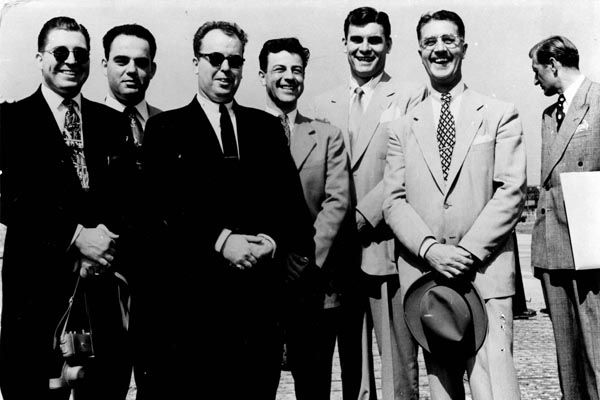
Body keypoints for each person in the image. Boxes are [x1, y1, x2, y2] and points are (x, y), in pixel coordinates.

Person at [136, 21, 314, 400]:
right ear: (196, 62)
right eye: (215, 58)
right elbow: (162, 212)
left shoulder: (266, 128)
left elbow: (294, 211)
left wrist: (269, 242)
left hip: (256, 317)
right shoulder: (165, 128)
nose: (225, 69)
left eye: (234, 61)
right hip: (193, 317)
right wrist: (222, 241)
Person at [383, 10, 526, 400]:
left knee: (494, 387)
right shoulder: (401, 125)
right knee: (441, 389)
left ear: (463, 46)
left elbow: (511, 190)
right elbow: (393, 201)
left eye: (448, 40)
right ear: (419, 51)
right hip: (426, 278)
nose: (440, 49)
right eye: (430, 42)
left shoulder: (499, 114)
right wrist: (431, 250)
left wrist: (464, 253)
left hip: (485, 272)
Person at [0, 16, 135, 400]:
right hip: (36, 298)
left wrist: (102, 245)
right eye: (61, 52)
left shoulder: (112, 123)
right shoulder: (9, 121)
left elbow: (129, 197)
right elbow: (9, 196)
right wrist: (74, 237)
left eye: (81, 53)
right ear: (40, 57)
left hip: (101, 294)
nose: (71, 60)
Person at [311, 7, 425, 400]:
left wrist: (358, 216)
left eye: (374, 40)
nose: (365, 48)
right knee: (353, 371)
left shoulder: (411, 96)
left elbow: (408, 166)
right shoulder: (321, 104)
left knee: (397, 367)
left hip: (386, 249)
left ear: (388, 44)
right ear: (344, 44)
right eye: (356, 40)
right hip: (338, 262)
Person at [259, 37, 351, 399]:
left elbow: (336, 202)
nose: (288, 78)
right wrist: (277, 257)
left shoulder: (327, 135)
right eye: (279, 69)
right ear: (262, 74)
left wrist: (306, 258)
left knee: (313, 384)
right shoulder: (243, 132)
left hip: (313, 280)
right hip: (261, 277)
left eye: (296, 70)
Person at [529, 35, 600, 400]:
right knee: (567, 358)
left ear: (553, 65)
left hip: (590, 251)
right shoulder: (548, 115)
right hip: (553, 251)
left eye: (537, 70)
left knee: (597, 352)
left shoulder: (598, 102)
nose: (535, 79)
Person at [102, 24, 161, 166]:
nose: (132, 70)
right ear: (105, 66)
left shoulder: (167, 125)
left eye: (140, 63)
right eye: (122, 61)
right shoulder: (86, 122)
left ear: (152, 70)